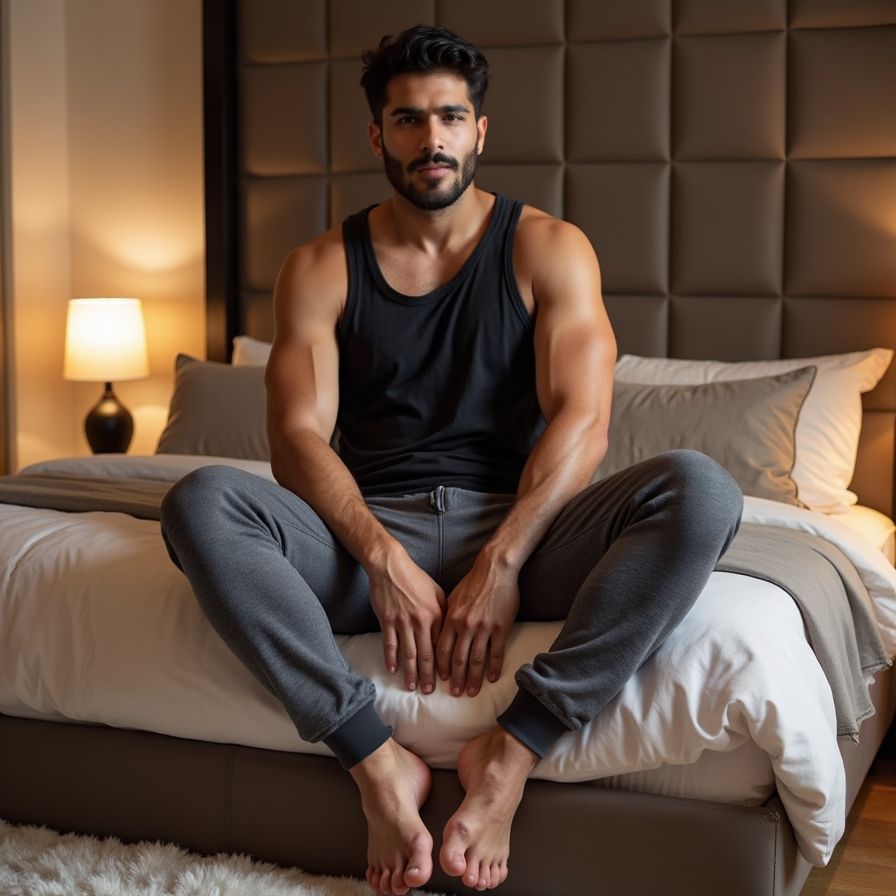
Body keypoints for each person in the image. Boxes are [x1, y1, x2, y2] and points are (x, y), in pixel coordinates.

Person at [161, 24, 743, 896]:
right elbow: (294, 440)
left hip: (524, 530)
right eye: (406, 120)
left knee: (700, 488)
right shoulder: (320, 266)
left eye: (449, 117)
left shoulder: (546, 247)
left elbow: (584, 421)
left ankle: (512, 752)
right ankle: (373, 760)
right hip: (363, 541)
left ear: (479, 130)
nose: (430, 139)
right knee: (200, 500)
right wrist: (383, 557)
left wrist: (503, 560)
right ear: (377, 136)